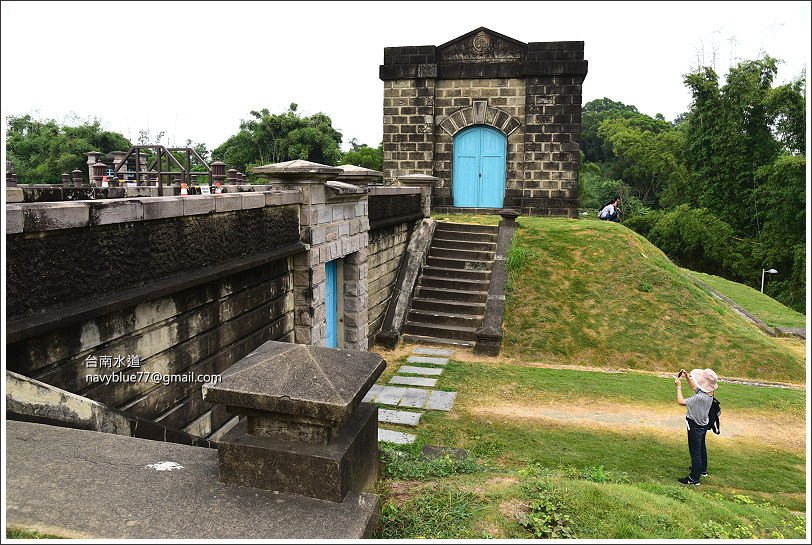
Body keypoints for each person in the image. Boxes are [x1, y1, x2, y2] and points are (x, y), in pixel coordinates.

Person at [674, 368, 719, 485]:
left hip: (695, 426)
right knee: (701, 448)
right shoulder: (709, 393)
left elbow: (681, 401)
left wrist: (678, 386)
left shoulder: (700, 398)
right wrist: (687, 377)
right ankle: (702, 470)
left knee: (695, 452)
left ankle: (694, 478)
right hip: (703, 424)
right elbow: (695, 387)